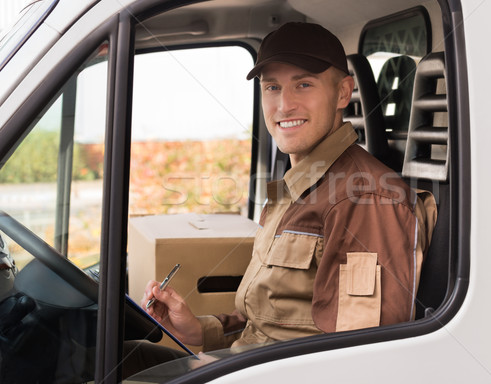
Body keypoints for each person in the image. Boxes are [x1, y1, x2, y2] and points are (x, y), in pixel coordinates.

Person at [141, 22, 436, 353]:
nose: (284, 106)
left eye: (304, 85)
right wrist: (198, 331)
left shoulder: (364, 199)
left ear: (343, 92)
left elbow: (359, 356)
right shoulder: (294, 189)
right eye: (272, 88)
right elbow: (269, 326)